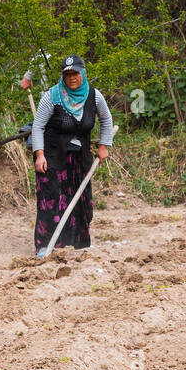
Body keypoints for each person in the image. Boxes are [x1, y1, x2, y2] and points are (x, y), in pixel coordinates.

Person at [30, 55, 113, 257]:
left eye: (75, 73)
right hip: (53, 157)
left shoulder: (94, 96)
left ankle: (78, 242)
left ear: (82, 73)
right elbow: (38, 126)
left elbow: (106, 119)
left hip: (80, 159)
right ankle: (46, 246)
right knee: (52, 200)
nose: (72, 78)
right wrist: (39, 155)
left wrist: (104, 145)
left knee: (79, 201)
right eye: (67, 74)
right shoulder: (52, 96)